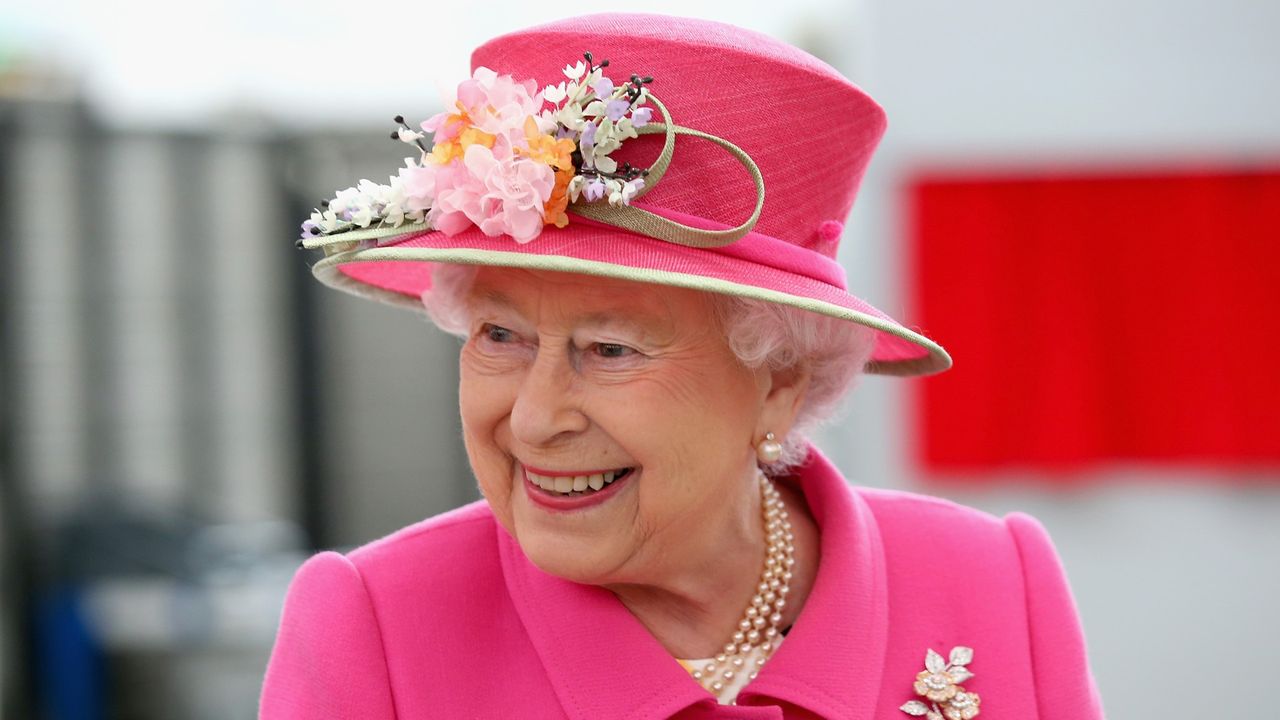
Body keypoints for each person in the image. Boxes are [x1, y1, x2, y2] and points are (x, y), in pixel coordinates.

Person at [260, 13, 1103, 720]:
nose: (533, 418)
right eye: (500, 336)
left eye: (610, 350)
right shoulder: (376, 627)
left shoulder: (992, 582)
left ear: (780, 381)